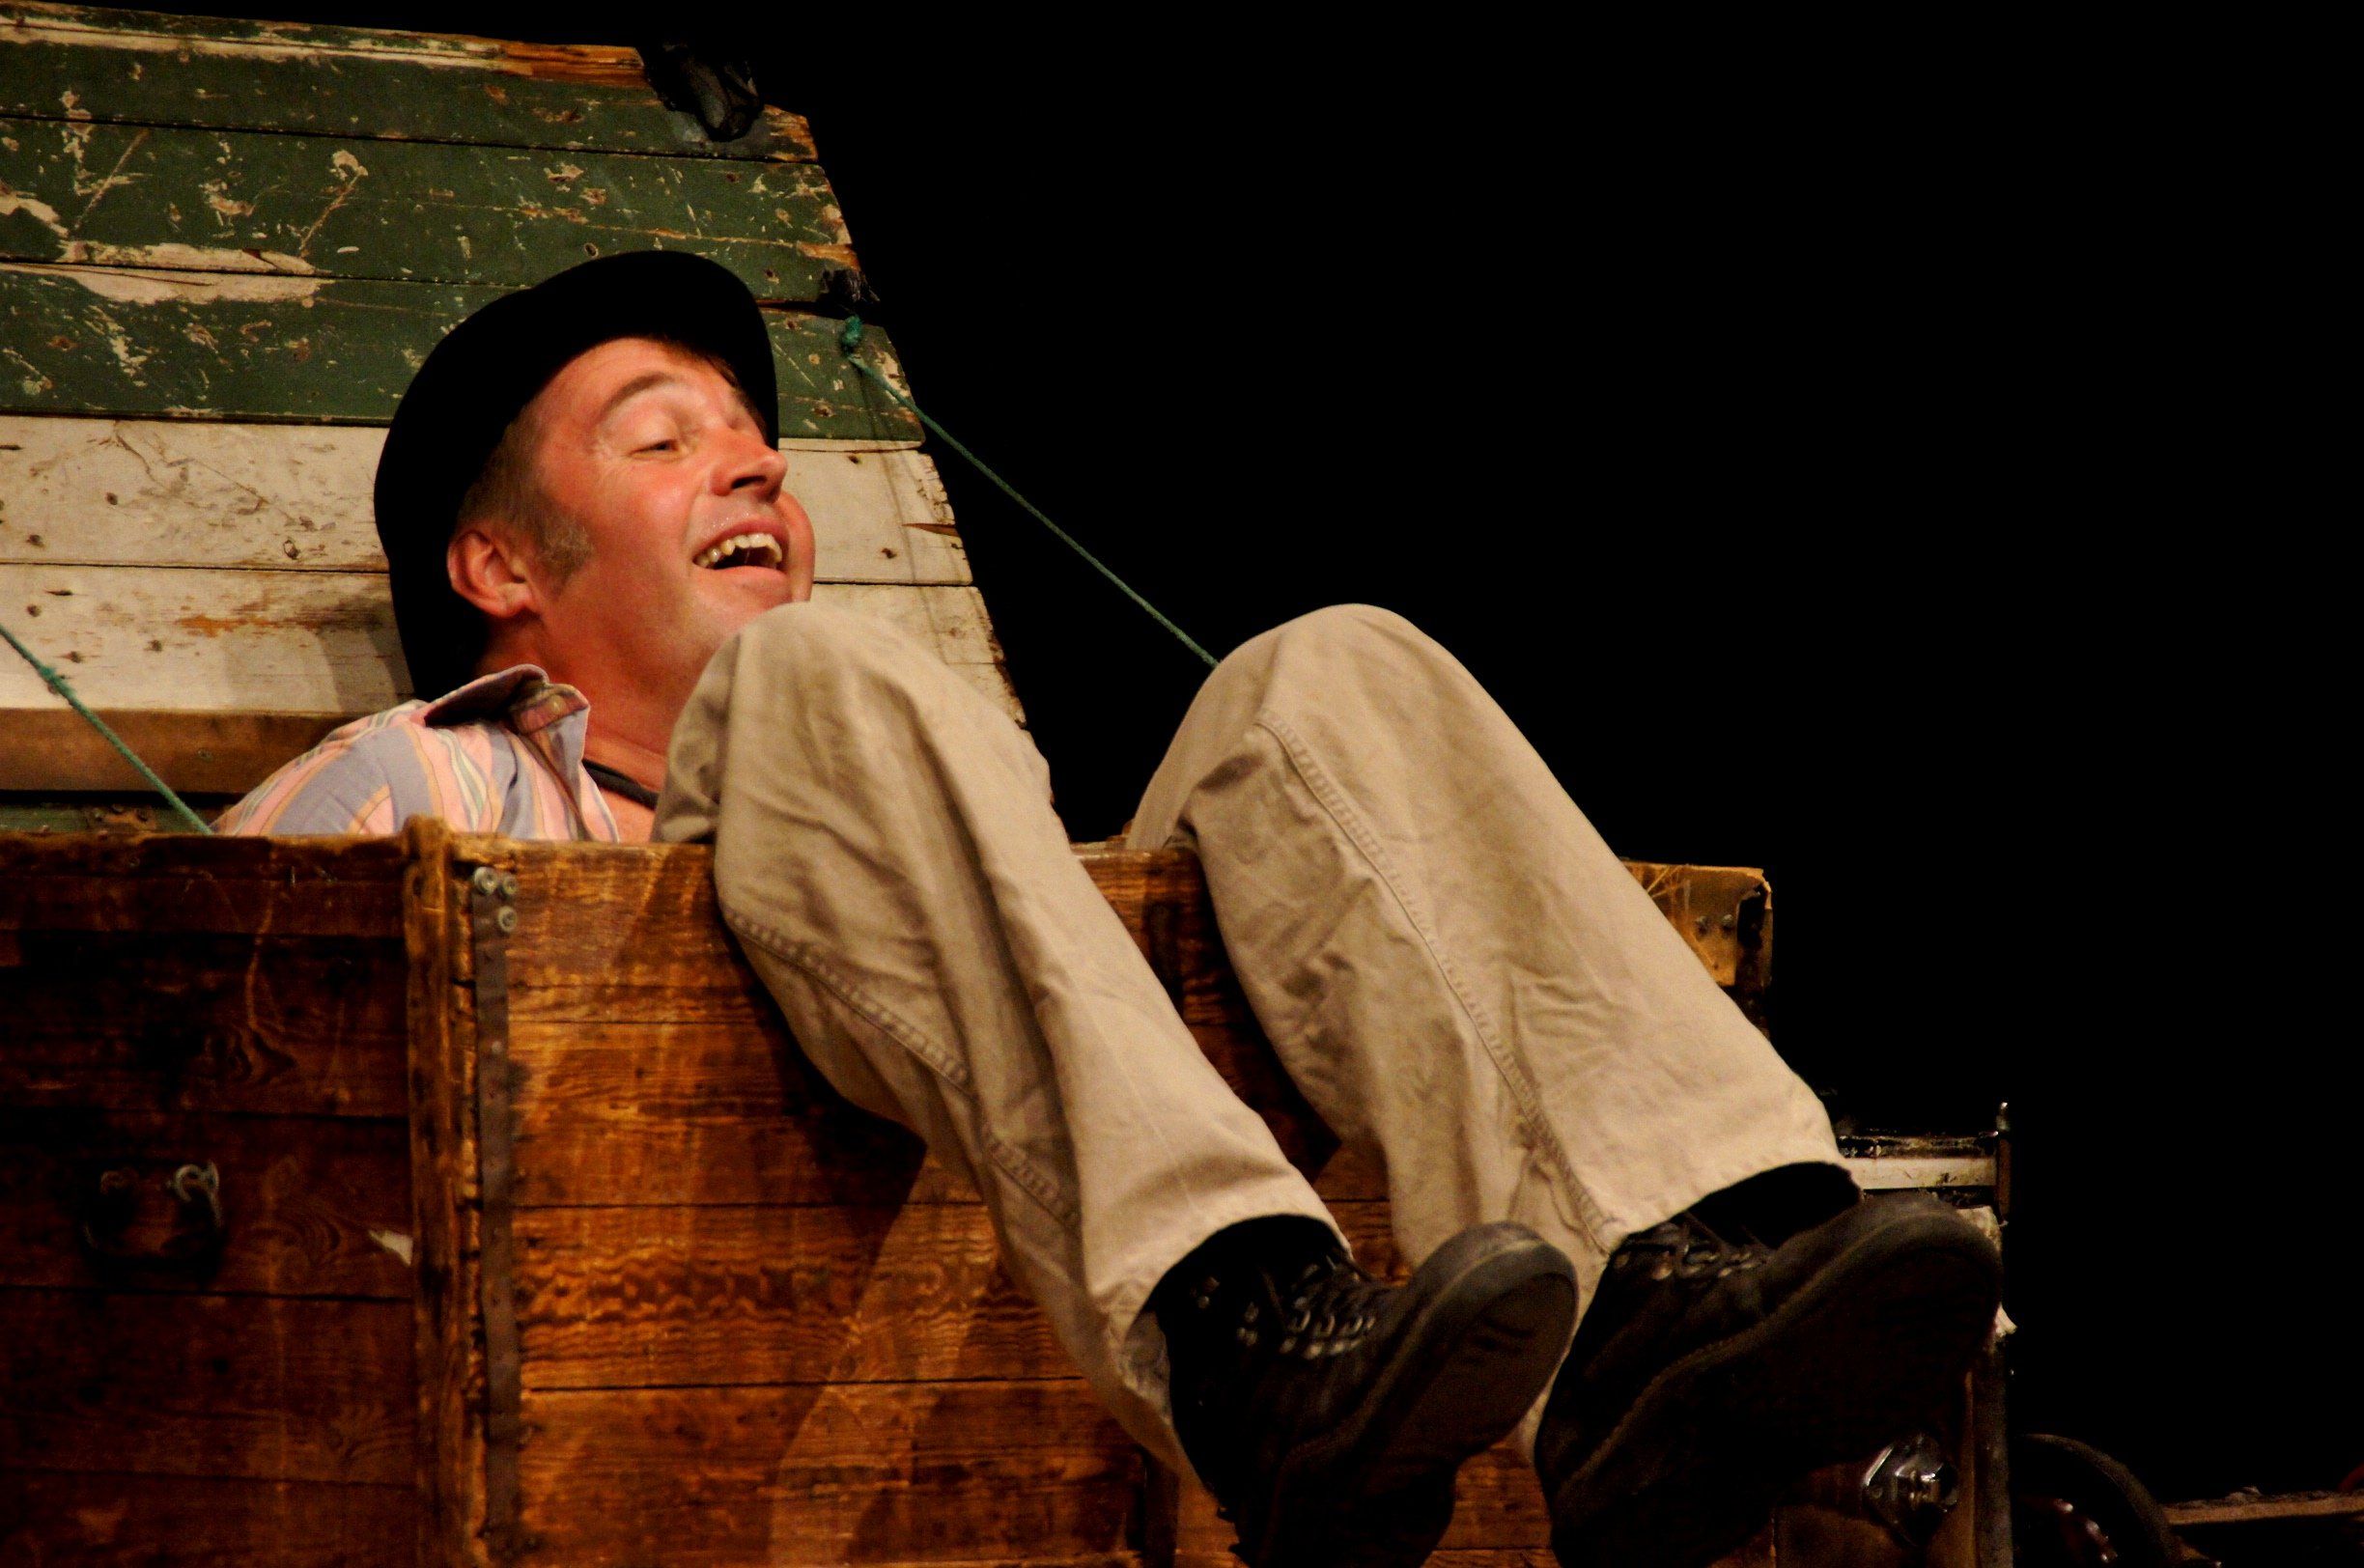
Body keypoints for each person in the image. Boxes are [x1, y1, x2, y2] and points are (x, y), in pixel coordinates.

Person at [221, 251, 2000, 1568]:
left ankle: (1674, 1300)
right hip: (638, 1400)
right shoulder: (409, 781)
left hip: (997, 1145)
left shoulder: (903, 755)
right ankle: (1241, 1338)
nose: (756, 467)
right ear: (499, 565)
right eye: (667, 439)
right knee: (812, 679)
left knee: (1333, 670)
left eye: (761, 440)